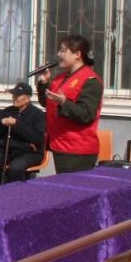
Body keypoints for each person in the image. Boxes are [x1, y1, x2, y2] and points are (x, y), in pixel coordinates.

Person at [36, 34, 104, 173]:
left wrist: (64, 102)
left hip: (77, 150)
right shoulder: (60, 78)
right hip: (60, 144)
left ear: (77, 54)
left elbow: (86, 115)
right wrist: (44, 82)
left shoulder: (90, 80)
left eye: (62, 51)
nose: (58, 54)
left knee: (73, 186)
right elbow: (47, 103)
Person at [0, 82, 46, 186]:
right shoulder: (7, 111)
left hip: (29, 152)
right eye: (13, 95)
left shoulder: (37, 114)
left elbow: (38, 138)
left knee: (15, 167)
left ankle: (14, 193)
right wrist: (1, 124)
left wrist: (17, 124)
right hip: (7, 149)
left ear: (27, 98)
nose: (14, 98)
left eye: (17, 96)